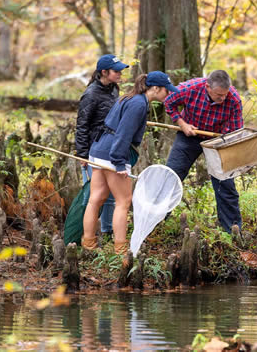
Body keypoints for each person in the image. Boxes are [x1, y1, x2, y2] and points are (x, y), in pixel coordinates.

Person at [82, 71, 180, 254]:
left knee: (96, 199)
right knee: (124, 201)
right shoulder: (138, 105)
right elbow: (123, 134)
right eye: (167, 91)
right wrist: (119, 163)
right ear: (156, 88)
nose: (169, 94)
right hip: (113, 154)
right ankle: (121, 249)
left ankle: (88, 244)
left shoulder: (130, 97)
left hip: (98, 149)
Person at [164, 70, 243, 233]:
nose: (222, 99)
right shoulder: (190, 88)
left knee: (225, 183)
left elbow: (236, 131)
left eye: (225, 95)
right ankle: (156, 220)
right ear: (207, 87)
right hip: (189, 134)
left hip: (217, 140)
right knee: (172, 176)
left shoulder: (233, 99)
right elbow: (168, 102)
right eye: (219, 95)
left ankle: (232, 230)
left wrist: (227, 136)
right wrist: (182, 123)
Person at [75, 54, 129, 240]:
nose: (120, 74)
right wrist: (83, 155)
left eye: (121, 71)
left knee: (111, 196)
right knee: (92, 195)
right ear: (104, 72)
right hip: (93, 150)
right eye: (116, 71)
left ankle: (107, 231)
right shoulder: (90, 94)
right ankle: (83, 235)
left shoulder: (114, 89)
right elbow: (82, 126)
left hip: (110, 149)